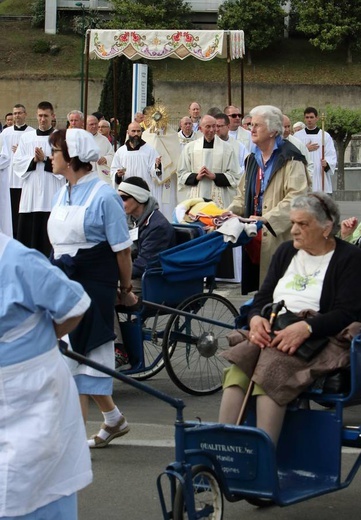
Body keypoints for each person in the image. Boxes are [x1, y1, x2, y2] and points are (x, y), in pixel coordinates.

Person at [219, 192, 361, 445]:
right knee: (237, 371)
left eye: (302, 224)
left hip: (318, 338)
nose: (294, 230)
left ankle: (266, 458)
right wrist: (255, 320)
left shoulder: (348, 258)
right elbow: (262, 299)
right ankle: (224, 454)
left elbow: (347, 312)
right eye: (293, 222)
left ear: (326, 228)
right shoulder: (286, 252)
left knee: (271, 371)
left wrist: (306, 328)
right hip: (276, 329)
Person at [47, 128, 138, 448]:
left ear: (71, 158)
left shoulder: (104, 195)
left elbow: (122, 250)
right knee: (80, 359)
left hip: (90, 286)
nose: (51, 157)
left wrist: (125, 288)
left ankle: (67, 444)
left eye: (56, 152)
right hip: (62, 281)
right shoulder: (62, 192)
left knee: (73, 361)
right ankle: (113, 419)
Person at [0, 231, 92, 518]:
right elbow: (74, 305)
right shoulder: (17, 259)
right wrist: (43, 339)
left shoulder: (16, 259)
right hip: (33, 386)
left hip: (32, 392)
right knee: (43, 487)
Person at [228, 105, 311, 294]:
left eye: (257, 125)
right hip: (254, 237)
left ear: (273, 131)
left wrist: (267, 218)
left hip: (280, 237)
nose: (252, 129)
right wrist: (228, 212)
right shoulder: (251, 159)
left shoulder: (291, 159)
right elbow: (242, 195)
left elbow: (297, 197)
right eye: (251, 125)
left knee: (281, 290)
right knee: (262, 291)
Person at [114, 177, 176, 369]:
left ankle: (118, 348)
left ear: (139, 198)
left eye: (124, 198)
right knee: (93, 288)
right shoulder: (132, 220)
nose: (120, 202)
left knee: (102, 292)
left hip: (152, 281)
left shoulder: (156, 225)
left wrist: (112, 273)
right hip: (139, 276)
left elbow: (143, 264)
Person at [13, 101, 64, 256]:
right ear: (36, 116)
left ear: (52, 116)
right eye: (40, 116)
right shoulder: (26, 138)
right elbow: (17, 163)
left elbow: (66, 164)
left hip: (52, 192)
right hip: (31, 194)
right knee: (29, 238)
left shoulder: (60, 138)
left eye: (46, 116)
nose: (42, 119)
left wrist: (46, 160)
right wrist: (34, 160)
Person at [177, 114, 240, 209]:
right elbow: (181, 174)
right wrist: (196, 177)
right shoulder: (190, 148)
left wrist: (215, 176)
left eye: (214, 126)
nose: (211, 130)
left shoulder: (227, 149)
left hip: (220, 199)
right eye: (208, 126)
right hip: (196, 196)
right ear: (200, 129)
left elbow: (235, 176)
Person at [0, 103, 34, 238]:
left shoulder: (31, 133)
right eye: (15, 113)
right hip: (9, 178)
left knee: (24, 210)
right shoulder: (5, 133)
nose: (17, 116)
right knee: (10, 211)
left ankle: (23, 236)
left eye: (20, 113)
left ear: (25, 114)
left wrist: (22, 151)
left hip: (25, 179)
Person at [111, 121, 162, 199]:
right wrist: (118, 175)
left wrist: (157, 166)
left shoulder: (150, 150)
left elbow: (154, 172)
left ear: (141, 132)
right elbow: (114, 170)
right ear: (128, 132)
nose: (136, 134)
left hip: (144, 189)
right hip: (127, 190)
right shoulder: (121, 151)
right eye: (133, 131)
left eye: (138, 131)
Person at [294, 107, 337, 194]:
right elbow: (293, 154)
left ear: (317, 118)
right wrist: (306, 149)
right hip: (304, 173)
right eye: (307, 117)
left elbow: (331, 154)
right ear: (304, 119)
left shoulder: (325, 136)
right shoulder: (297, 136)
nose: (309, 120)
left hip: (320, 172)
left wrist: (327, 163)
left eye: (311, 117)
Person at [86, 114, 114, 184]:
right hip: (85, 175)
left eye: (96, 124)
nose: (94, 126)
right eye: (91, 124)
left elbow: (112, 155)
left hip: (100, 175)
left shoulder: (104, 140)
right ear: (85, 125)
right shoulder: (81, 139)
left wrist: (106, 158)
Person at [283, 114, 313, 178]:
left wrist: (305, 181)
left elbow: (309, 164)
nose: (287, 129)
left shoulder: (297, 144)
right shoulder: (270, 143)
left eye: (288, 126)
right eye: (285, 127)